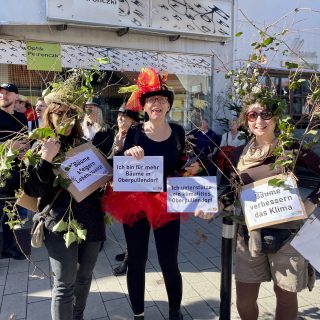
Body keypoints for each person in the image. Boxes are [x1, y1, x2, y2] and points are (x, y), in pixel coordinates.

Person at [196, 89, 320, 320]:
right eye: (253, 115)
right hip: (250, 236)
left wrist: (311, 202)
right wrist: (216, 206)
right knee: (244, 300)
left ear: (275, 118)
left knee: (284, 298)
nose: (259, 120)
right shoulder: (239, 154)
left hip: (287, 236)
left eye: (266, 114)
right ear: (246, 120)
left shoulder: (290, 148)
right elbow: (232, 191)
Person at [103, 67, 212, 320]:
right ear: (144, 106)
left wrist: (192, 169)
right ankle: (138, 313)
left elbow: (181, 163)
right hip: (136, 201)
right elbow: (117, 165)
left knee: (169, 260)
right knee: (137, 260)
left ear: (169, 105)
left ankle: (175, 311)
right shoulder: (134, 132)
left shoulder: (177, 132)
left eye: (162, 99)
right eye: (152, 99)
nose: (157, 103)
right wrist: (127, 153)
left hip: (167, 199)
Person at [23, 85, 108, 319]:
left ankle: (77, 316)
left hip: (91, 220)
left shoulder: (84, 143)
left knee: (84, 276)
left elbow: (97, 182)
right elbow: (32, 189)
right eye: (59, 113)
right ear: (48, 115)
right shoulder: (40, 145)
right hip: (59, 223)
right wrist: (46, 160)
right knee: (64, 284)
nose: (65, 119)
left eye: (70, 114)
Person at [111, 104, 140, 276]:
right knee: (127, 223)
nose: (121, 118)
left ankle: (128, 261)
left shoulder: (137, 135)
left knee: (133, 224)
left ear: (134, 121)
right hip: (123, 187)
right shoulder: (119, 134)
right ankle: (129, 251)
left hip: (136, 189)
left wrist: (121, 149)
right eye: (119, 115)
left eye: (125, 116)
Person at [0, 83, 28, 260]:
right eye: (1, 93)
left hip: (16, 173)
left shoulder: (21, 117)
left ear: (16, 97)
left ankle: (8, 247)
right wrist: (10, 146)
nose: (3, 95)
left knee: (11, 213)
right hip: (0, 174)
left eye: (7, 93)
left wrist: (25, 150)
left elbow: (25, 140)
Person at [216, 118, 246, 185]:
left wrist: (229, 148)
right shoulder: (225, 135)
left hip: (237, 157)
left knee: (235, 164)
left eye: (233, 123)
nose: (231, 125)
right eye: (230, 124)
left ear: (237, 125)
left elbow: (240, 148)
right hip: (226, 156)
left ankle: (233, 184)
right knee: (220, 163)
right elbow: (222, 147)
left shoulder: (242, 135)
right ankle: (217, 184)